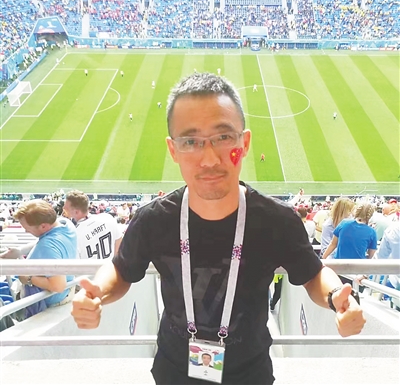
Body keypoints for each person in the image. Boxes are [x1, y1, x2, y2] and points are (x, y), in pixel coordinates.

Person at [72, 73, 366, 385]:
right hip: (174, 373)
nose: (209, 158)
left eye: (223, 137)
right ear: (173, 150)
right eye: (191, 142)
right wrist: (96, 293)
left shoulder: (276, 220)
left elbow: (312, 273)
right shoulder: (153, 219)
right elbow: (122, 269)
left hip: (250, 375)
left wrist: (338, 297)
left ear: (245, 142)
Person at [13, 200, 77, 318]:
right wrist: (19, 251)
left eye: (27, 227)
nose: (25, 230)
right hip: (67, 291)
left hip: (50, 304)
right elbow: (48, 242)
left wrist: (28, 278)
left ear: (43, 226)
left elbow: (58, 286)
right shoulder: (66, 224)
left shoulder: (47, 247)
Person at [63, 190, 122, 259]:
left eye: (66, 208)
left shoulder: (75, 236)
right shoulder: (108, 218)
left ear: (76, 212)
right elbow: (119, 245)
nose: (64, 209)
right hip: (110, 265)